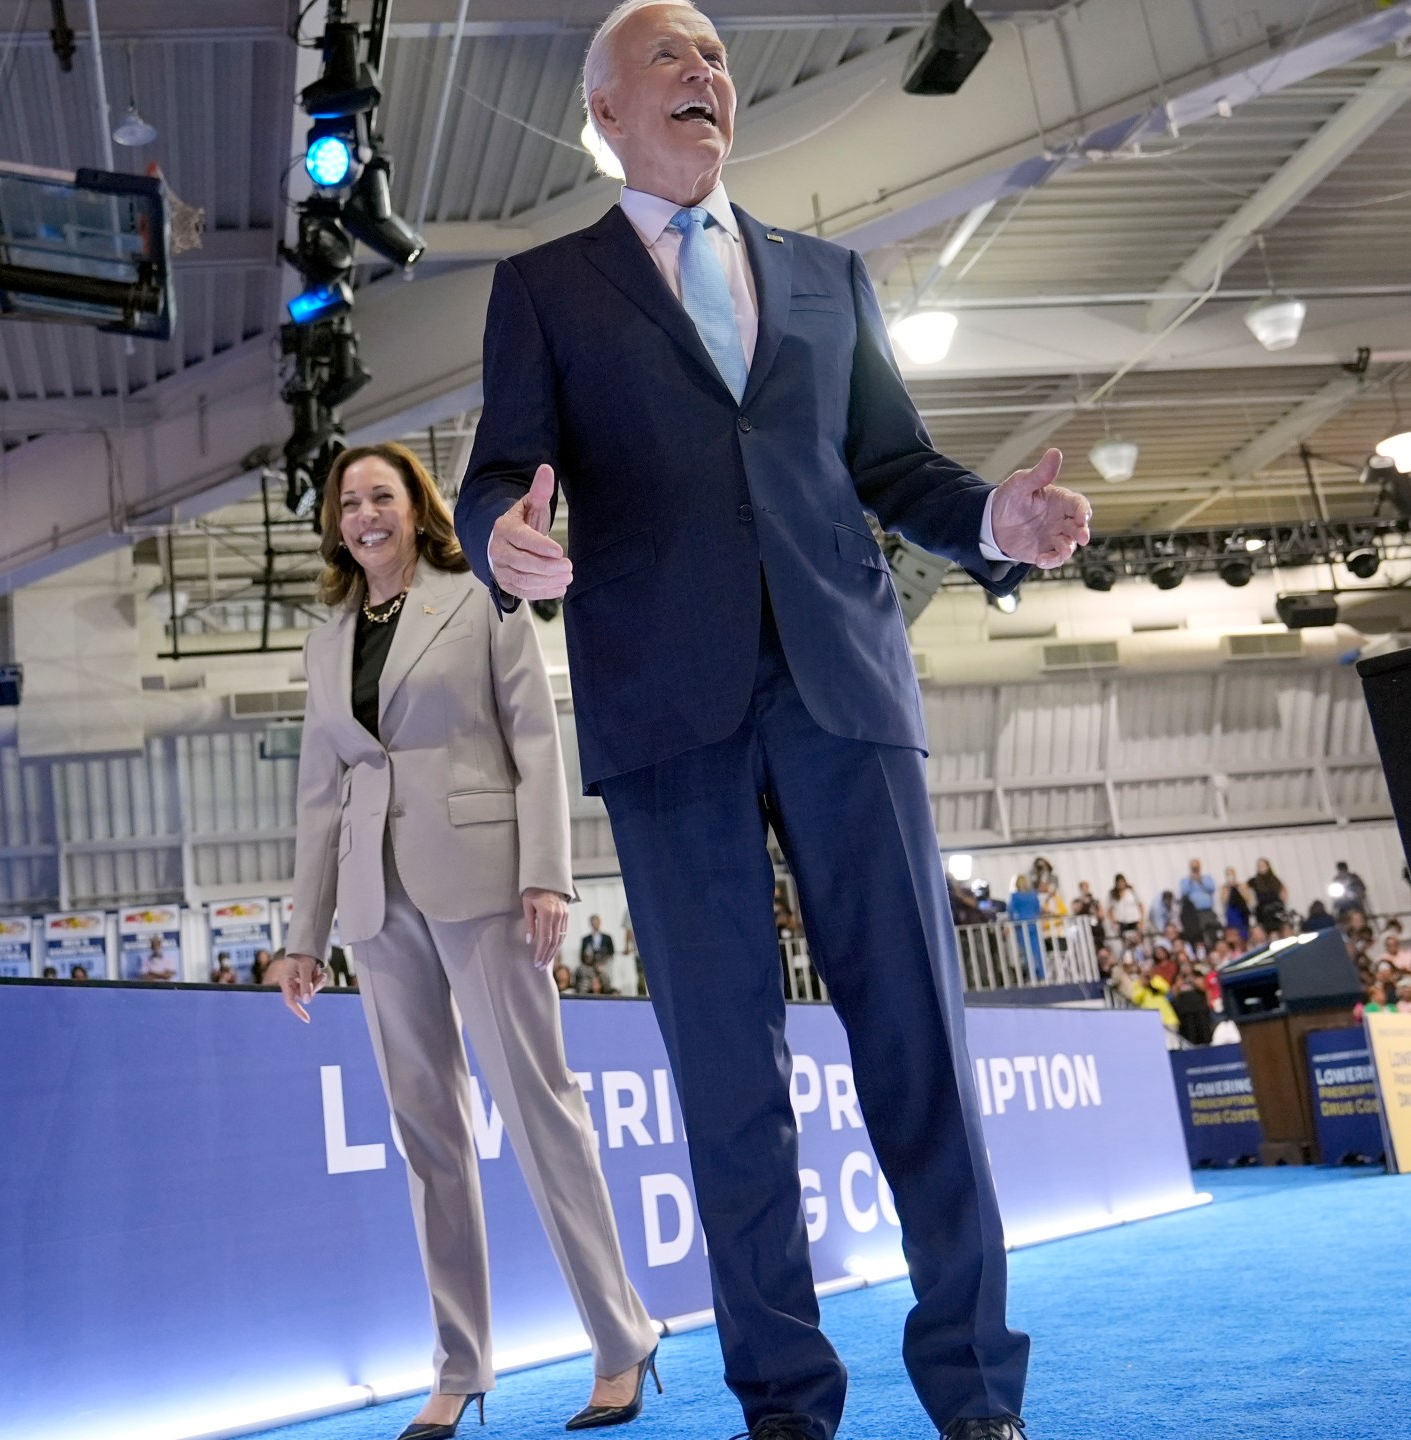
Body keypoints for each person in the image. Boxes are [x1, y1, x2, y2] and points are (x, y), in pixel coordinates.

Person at [453, 5, 1089, 1435]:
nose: (705, 73)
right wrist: (504, 540)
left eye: (717, 57)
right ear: (604, 112)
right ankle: (786, 1404)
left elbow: (898, 466)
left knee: (917, 1036)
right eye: (669, 58)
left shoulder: (826, 275)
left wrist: (995, 516)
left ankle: (977, 1390)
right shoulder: (546, 287)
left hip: (844, 686)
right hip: (666, 712)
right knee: (729, 1078)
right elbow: (500, 475)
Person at [278, 441, 661, 1437]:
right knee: (426, 1140)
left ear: (417, 509)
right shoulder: (326, 639)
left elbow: (534, 738)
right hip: (376, 901)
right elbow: (320, 793)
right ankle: (458, 1365)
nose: (364, 513)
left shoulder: (480, 595)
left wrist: (546, 872)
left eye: (382, 496)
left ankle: (621, 1342)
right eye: (348, 500)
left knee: (538, 1109)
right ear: (335, 522)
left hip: (485, 880)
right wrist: (302, 935)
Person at [1248, 858, 1289, 932]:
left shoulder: (1275, 880)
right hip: (1264, 912)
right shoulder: (1254, 881)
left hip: (1277, 910)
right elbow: (1245, 888)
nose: (1262, 868)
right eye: (1259, 866)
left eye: (1263, 865)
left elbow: (1284, 891)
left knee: (1283, 930)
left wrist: (1282, 900)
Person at [1107, 875, 1144, 944]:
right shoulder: (1113, 894)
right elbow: (1110, 909)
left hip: (1134, 920)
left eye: (1122, 882)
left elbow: (1140, 905)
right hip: (1121, 922)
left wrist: (1141, 919)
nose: (1121, 884)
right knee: (1126, 942)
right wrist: (1113, 921)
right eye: (1119, 882)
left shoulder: (1131, 891)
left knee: (1138, 940)